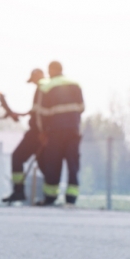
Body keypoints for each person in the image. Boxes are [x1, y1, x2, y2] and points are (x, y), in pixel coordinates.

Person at [35, 61, 84, 206]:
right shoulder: (75, 84)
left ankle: (50, 197)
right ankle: (71, 198)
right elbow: (81, 107)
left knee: (53, 164)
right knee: (73, 164)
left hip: (55, 132)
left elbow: (41, 113)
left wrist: (42, 132)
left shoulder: (46, 87)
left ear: (50, 70)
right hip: (73, 131)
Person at [0, 68, 45, 204]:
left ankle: (19, 191)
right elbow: (35, 111)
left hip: (37, 133)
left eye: (34, 80)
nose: (33, 83)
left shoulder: (42, 89)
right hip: (41, 132)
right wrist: (20, 114)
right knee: (44, 163)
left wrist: (42, 132)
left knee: (17, 157)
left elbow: (40, 114)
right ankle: (47, 196)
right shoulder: (43, 90)